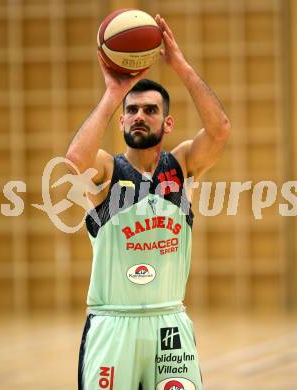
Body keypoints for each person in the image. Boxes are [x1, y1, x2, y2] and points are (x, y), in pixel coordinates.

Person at [66, 14, 230, 390]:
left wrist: (181, 67)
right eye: (132, 111)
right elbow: (75, 161)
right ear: (121, 122)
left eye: (151, 110)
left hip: (169, 324)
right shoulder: (107, 171)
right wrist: (112, 94)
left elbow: (220, 130)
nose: (140, 116)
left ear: (167, 124)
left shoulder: (183, 165)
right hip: (112, 325)